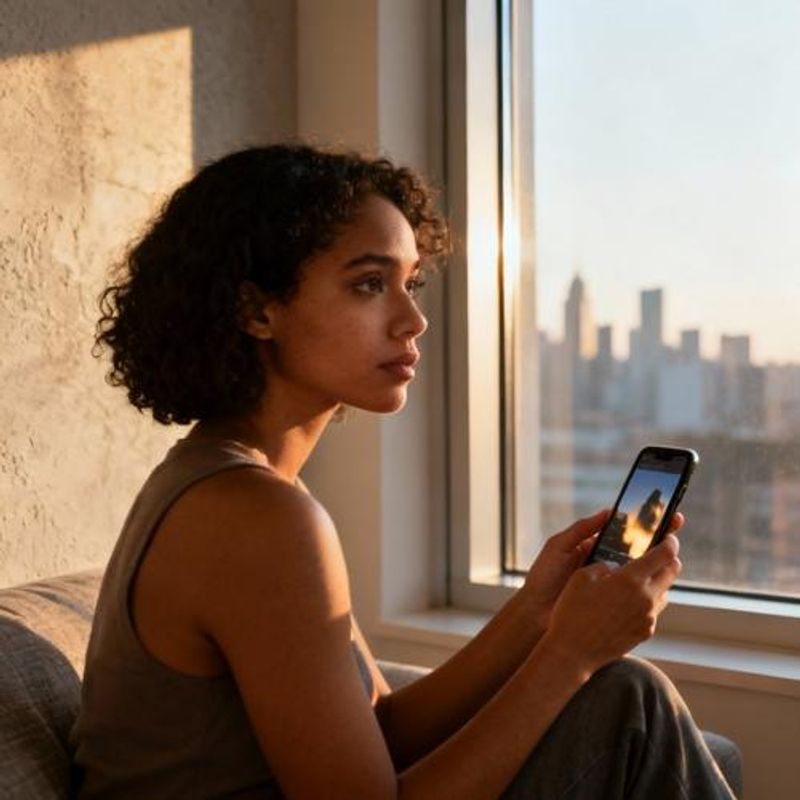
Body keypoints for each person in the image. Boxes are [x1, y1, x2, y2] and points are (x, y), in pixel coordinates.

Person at [72, 144, 736, 799]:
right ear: (257, 311)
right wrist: (572, 655)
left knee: (626, 697)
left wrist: (535, 614)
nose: (413, 320)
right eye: (369, 284)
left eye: (410, 283)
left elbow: (378, 733)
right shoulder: (256, 517)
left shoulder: (235, 481)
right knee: (629, 702)